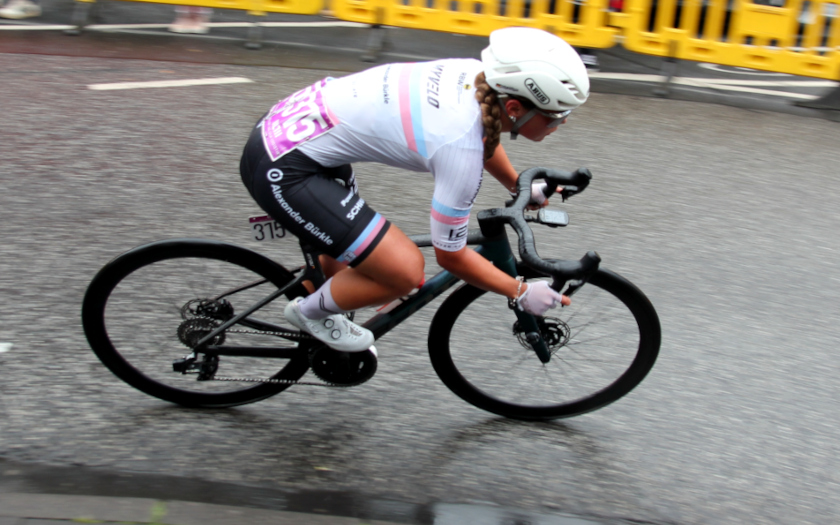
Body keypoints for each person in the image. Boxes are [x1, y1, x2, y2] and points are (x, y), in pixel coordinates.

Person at [239, 27, 590, 352]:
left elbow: (485, 132)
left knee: (355, 266)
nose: (561, 123)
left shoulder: (476, 78)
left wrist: (517, 185)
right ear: (514, 107)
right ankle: (308, 314)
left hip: (290, 131)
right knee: (404, 272)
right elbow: (450, 256)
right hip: (287, 169)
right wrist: (519, 291)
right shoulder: (459, 146)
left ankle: (321, 298)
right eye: (557, 115)